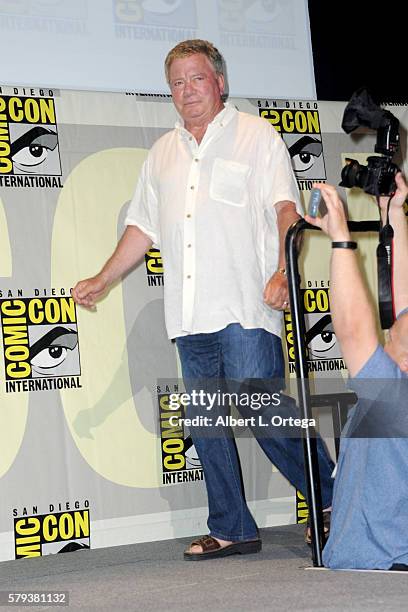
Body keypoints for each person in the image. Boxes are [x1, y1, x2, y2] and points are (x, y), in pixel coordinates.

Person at [72, 39, 334, 560]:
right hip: (188, 317)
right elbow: (140, 229)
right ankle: (233, 526)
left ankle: (332, 501)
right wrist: (103, 279)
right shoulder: (162, 152)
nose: (187, 90)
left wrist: (285, 269)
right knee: (207, 422)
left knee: (263, 411)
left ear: (220, 83)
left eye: (196, 78)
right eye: (177, 82)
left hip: (245, 306)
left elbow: (287, 210)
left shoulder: (257, 136)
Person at [305, 173, 408, 570]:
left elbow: (350, 328)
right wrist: (391, 213)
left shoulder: (393, 393)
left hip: (373, 569)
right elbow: (400, 300)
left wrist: (341, 239)